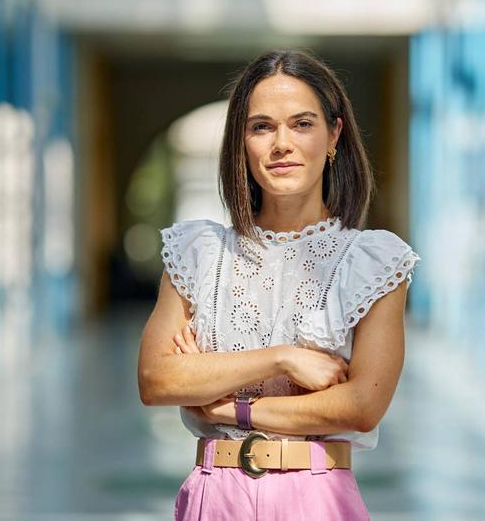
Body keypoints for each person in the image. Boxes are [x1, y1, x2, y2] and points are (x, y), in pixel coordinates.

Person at [138, 49, 421, 520]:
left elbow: (360, 406)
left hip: (318, 496)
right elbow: (156, 379)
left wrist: (225, 406)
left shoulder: (373, 260)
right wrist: (283, 358)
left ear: (334, 135)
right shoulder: (198, 251)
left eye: (302, 124)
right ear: (241, 142)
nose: (281, 144)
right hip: (214, 495)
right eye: (262, 127)